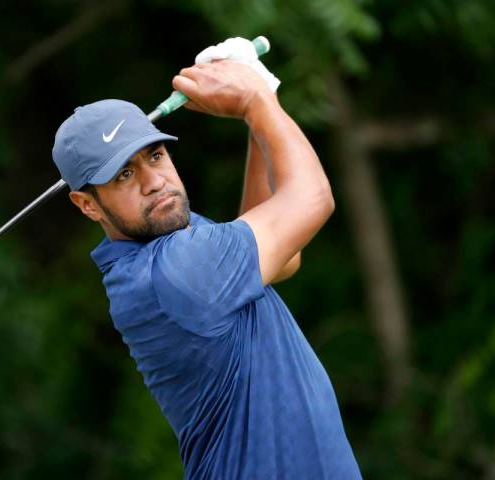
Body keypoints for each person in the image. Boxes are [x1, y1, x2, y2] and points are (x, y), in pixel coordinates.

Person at [52, 44, 361, 480]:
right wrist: (257, 101)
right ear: (87, 204)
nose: (154, 182)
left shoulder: (165, 238)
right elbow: (312, 198)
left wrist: (258, 120)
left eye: (155, 156)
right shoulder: (175, 269)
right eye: (124, 175)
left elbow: (282, 257)